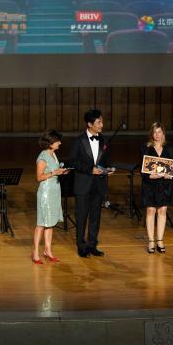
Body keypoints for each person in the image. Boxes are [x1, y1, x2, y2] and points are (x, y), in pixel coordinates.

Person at [67, 109, 114, 258]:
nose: (102, 125)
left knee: (95, 217)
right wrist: (89, 169)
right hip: (83, 185)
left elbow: (106, 159)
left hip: (98, 185)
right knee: (81, 217)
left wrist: (109, 168)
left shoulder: (104, 140)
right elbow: (73, 162)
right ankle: (81, 246)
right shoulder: (78, 141)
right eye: (99, 122)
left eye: (102, 121)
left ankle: (92, 245)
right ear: (89, 124)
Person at [33, 130, 67, 264]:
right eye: (58, 141)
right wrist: (54, 172)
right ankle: (35, 252)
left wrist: (61, 172)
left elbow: (53, 171)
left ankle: (48, 250)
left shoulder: (53, 154)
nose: (60, 143)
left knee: (50, 223)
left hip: (54, 192)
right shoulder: (43, 157)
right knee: (41, 223)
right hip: (46, 193)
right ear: (51, 142)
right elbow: (39, 177)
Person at [142, 122, 173, 253]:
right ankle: (151, 241)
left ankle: (160, 240)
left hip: (165, 185)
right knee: (151, 211)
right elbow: (143, 169)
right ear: (152, 134)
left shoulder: (170, 148)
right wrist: (150, 176)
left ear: (163, 133)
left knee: (162, 211)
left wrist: (170, 175)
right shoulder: (146, 148)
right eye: (155, 132)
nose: (157, 135)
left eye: (159, 132)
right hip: (150, 185)